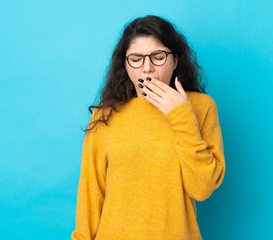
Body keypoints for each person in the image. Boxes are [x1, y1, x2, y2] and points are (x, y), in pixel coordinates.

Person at [71, 15, 226, 240]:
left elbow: (202, 188)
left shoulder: (201, 107)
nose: (147, 69)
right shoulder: (105, 115)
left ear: (175, 61)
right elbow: (90, 197)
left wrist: (180, 115)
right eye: (136, 59)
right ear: (125, 65)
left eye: (158, 57)